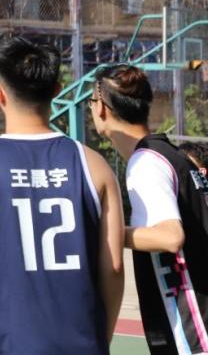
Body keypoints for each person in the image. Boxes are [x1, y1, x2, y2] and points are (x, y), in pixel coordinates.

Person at [0, 37, 125, 355]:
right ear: (57, 90)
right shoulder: (94, 165)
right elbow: (113, 267)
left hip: (4, 344)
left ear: (0, 94)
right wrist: (100, 338)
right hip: (80, 344)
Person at [89, 64, 208, 354]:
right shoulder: (173, 156)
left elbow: (169, 237)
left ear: (101, 108)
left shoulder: (146, 163)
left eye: (90, 102)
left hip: (193, 332)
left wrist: (104, 232)